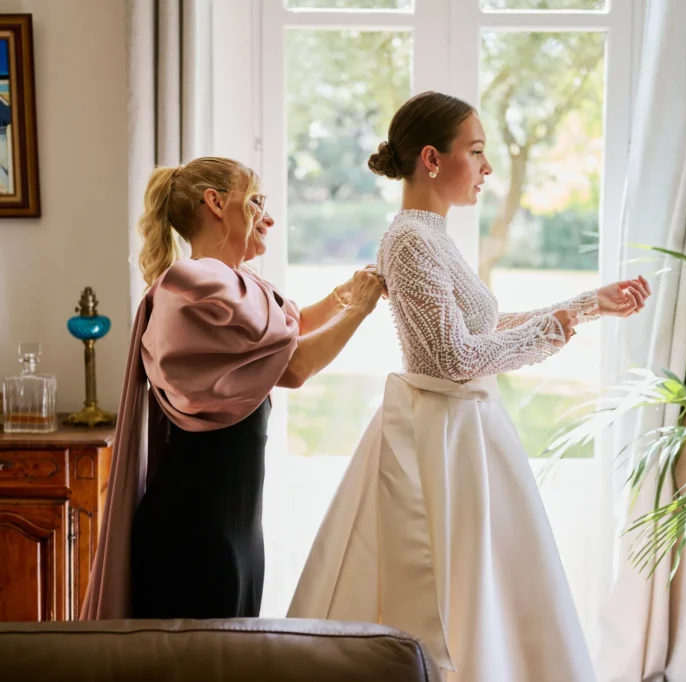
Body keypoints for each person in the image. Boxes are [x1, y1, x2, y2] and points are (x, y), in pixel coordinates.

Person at [287, 92, 651, 681]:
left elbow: (479, 327)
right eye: (476, 153)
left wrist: (588, 305)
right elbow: (455, 357)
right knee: (446, 585)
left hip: (467, 431)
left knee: (490, 584)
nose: (487, 169)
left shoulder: (430, 234)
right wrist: (551, 335)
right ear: (432, 158)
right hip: (440, 440)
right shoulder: (410, 239)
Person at [81, 156, 385, 620]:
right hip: (195, 531)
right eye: (257, 201)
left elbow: (292, 328)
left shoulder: (232, 282)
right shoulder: (197, 284)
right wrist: (358, 310)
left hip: (234, 526)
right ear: (217, 203)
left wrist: (346, 294)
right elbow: (295, 365)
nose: (269, 216)